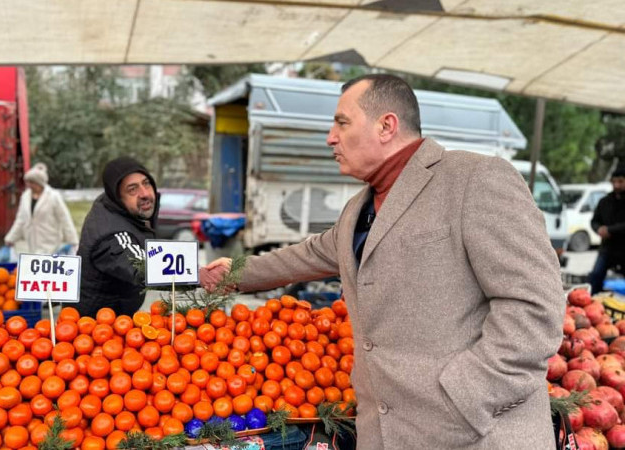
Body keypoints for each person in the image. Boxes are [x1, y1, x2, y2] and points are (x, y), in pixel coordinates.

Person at [205, 74, 564, 448]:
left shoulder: (475, 179)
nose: (330, 136)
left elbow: (534, 309)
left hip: (477, 435)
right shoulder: (359, 208)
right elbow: (309, 254)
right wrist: (234, 273)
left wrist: (467, 395)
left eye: (342, 122)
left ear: (386, 126)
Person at [77, 157, 160, 318]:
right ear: (117, 197)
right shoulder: (111, 235)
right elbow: (143, 267)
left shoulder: (117, 206)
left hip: (120, 319)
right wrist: (199, 275)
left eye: (146, 183)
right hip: (94, 327)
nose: (144, 193)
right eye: (132, 189)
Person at [4, 162, 78, 255]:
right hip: (31, 243)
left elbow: (65, 219)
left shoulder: (53, 196)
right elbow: (21, 219)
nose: (29, 185)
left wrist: (73, 241)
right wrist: (10, 238)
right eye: (28, 182)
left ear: (39, 183)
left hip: (50, 243)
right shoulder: (25, 196)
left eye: (32, 182)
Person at [588, 169, 625, 293]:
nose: (617, 185)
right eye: (614, 182)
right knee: (596, 276)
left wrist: (610, 230)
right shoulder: (604, 201)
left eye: (620, 181)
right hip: (607, 248)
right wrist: (598, 229)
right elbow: (594, 221)